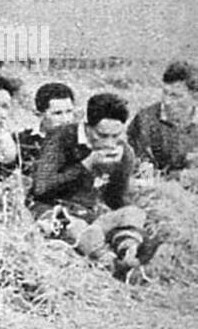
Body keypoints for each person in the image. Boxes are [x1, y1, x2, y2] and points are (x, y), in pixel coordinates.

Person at [30, 92, 153, 279]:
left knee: (134, 213)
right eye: (102, 135)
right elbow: (41, 188)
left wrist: (119, 171)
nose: (109, 143)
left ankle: (128, 252)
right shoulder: (60, 137)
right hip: (56, 209)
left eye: (116, 135)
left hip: (92, 213)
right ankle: (109, 262)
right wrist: (87, 164)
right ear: (87, 127)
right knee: (77, 228)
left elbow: (115, 198)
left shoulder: (124, 151)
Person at [127, 60, 198, 176]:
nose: (167, 101)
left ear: (195, 98)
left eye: (176, 96)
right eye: (165, 93)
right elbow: (138, 165)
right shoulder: (144, 120)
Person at [13, 82, 78, 179]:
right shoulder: (20, 141)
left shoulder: (82, 141)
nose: (66, 119)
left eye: (69, 112)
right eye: (57, 113)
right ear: (39, 114)